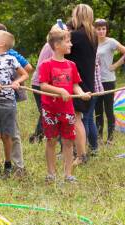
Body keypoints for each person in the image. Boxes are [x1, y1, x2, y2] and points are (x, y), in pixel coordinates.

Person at [0, 23, 33, 174]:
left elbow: (25, 73)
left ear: (2, 43)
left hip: (8, 101)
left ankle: (10, 165)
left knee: (7, 135)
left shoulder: (12, 58)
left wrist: (16, 82)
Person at [39, 27, 91, 183]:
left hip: (67, 109)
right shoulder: (46, 64)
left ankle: (68, 175)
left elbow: (75, 85)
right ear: (56, 45)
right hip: (50, 110)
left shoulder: (71, 65)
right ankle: (51, 174)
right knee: (51, 140)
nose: (71, 45)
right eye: (67, 42)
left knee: (68, 142)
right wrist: (60, 90)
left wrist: (81, 93)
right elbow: (43, 86)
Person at [65, 4, 98, 166]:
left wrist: (64, 29)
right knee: (80, 118)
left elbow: (59, 44)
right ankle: (80, 153)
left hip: (78, 81)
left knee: (77, 118)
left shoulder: (76, 35)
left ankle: (81, 155)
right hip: (88, 80)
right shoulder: (92, 35)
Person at [94, 18, 125, 145]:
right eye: (99, 29)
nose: (101, 31)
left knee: (108, 110)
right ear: (94, 30)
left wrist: (115, 65)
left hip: (108, 81)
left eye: (103, 29)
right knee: (98, 110)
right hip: (96, 81)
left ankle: (110, 139)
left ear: (106, 30)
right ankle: (99, 138)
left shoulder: (111, 42)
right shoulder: (92, 43)